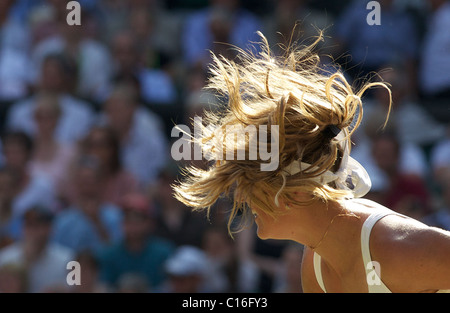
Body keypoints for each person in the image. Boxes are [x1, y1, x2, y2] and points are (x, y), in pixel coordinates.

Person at [172, 31, 450, 293]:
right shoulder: (315, 264)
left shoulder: (395, 247)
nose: (244, 198)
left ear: (296, 188)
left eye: (254, 187)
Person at [97, 192, 174, 291]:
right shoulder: (108, 254)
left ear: (149, 223)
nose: (132, 226)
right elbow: (105, 287)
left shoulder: (164, 253)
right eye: (128, 220)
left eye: (138, 220)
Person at [0, 206, 74, 292]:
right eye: (29, 225)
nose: (33, 231)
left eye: (38, 226)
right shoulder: (5, 258)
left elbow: (79, 288)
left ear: (50, 229)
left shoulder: (67, 259)